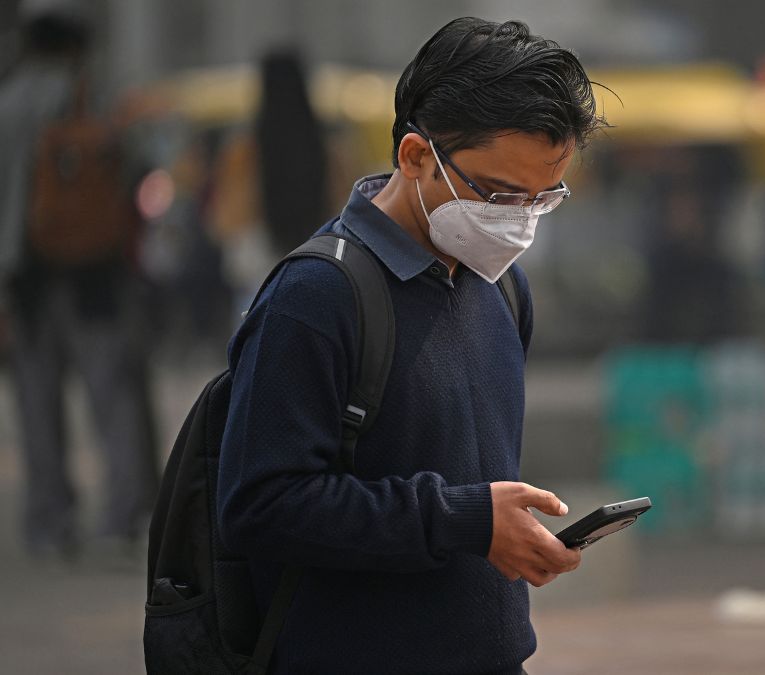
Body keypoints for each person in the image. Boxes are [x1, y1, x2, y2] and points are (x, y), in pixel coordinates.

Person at [216, 18, 605, 674]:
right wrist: (463, 519)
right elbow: (260, 505)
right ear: (416, 156)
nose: (519, 221)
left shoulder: (503, 288)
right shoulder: (317, 296)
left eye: (544, 199)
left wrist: (504, 531)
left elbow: (468, 479)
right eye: (501, 194)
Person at [0, 7, 159, 562]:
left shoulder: (8, 102)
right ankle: (120, 518)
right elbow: (136, 176)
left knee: (37, 402)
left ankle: (50, 522)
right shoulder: (95, 99)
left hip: (26, 279)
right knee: (110, 396)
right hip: (97, 273)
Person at [209, 48, 355, 327]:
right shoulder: (329, 146)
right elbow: (346, 207)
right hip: (318, 255)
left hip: (256, 265)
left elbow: (225, 220)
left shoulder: (244, 150)